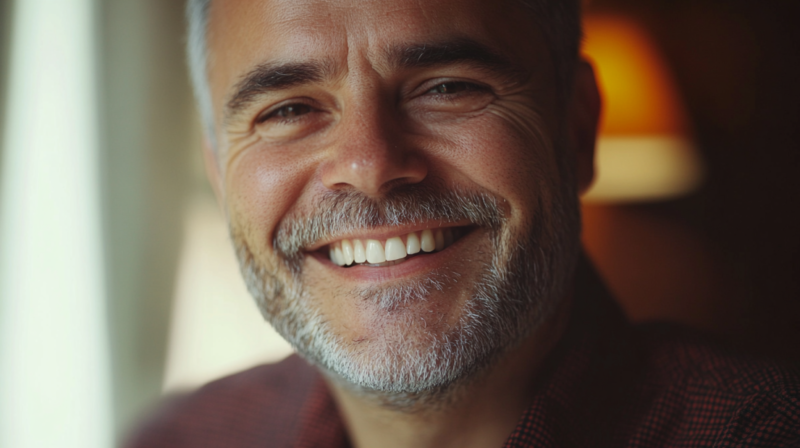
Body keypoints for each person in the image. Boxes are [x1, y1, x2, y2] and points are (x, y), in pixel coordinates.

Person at [126, 0, 800, 446]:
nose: (369, 165)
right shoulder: (188, 436)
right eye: (287, 110)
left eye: (447, 87)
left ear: (578, 128)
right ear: (220, 175)